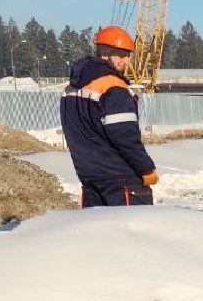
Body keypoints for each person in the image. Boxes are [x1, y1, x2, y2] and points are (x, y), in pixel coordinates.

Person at [60, 25, 158, 207]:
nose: (126, 62)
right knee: (135, 226)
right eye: (121, 55)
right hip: (122, 180)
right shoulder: (114, 88)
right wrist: (146, 169)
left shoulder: (71, 89)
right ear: (104, 53)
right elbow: (124, 136)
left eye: (128, 56)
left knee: (99, 226)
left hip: (90, 179)